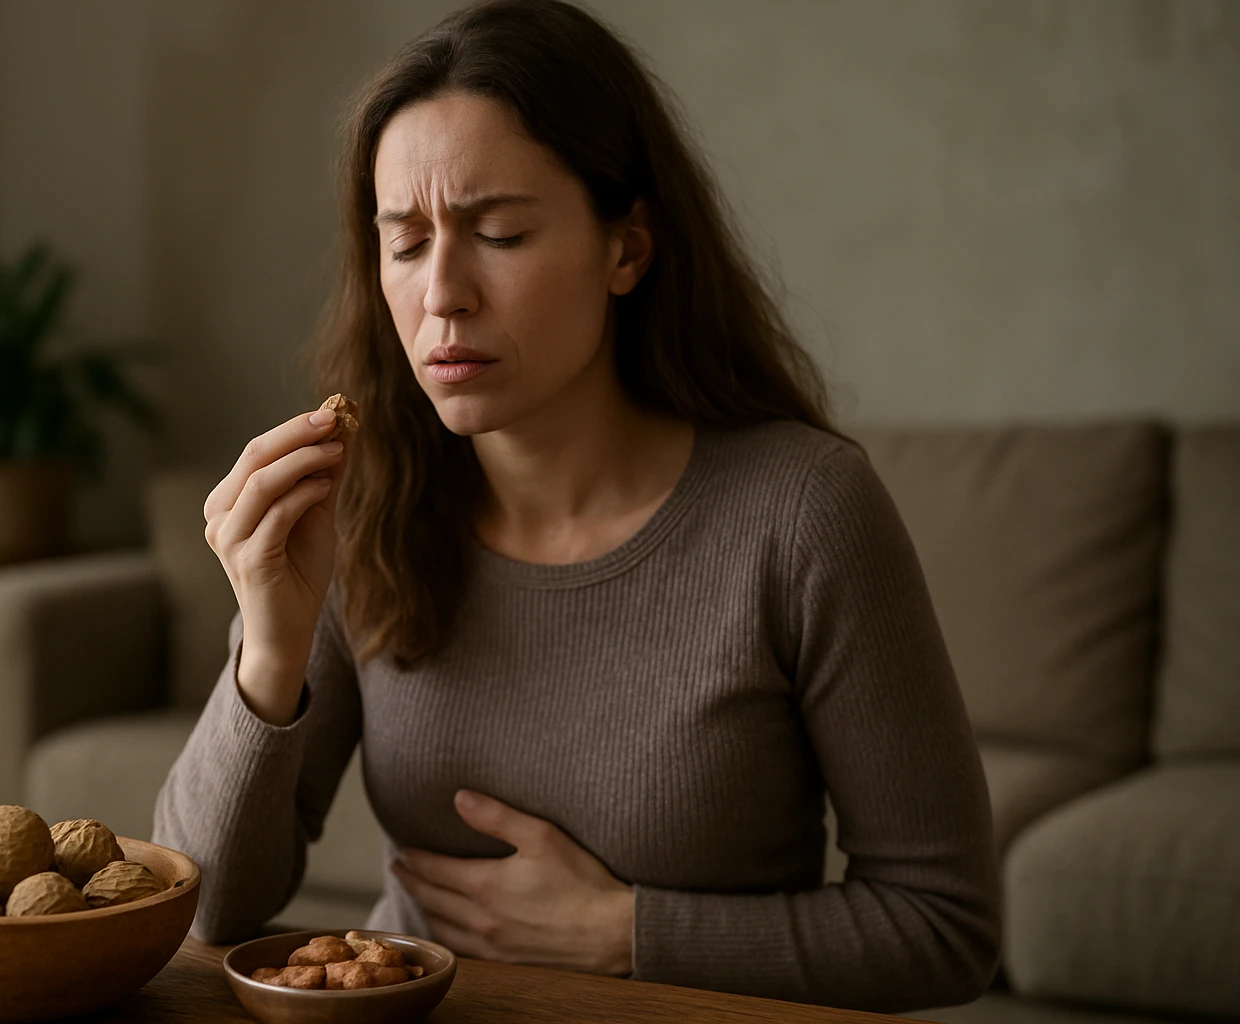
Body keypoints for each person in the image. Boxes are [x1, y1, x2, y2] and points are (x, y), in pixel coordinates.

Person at [153, 0, 999, 1012]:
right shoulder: (367, 501)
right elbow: (201, 914)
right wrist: (269, 654)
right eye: (405, 244)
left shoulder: (805, 510)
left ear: (627, 249)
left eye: (499, 232)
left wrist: (626, 933)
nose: (444, 295)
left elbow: (946, 925)